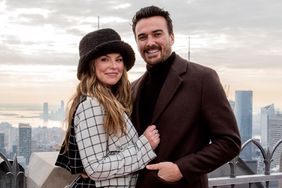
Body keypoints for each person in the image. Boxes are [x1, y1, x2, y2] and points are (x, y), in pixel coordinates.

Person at [130, 5, 241, 188]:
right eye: (142, 37)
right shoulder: (132, 88)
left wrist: (181, 168)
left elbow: (230, 142)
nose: (150, 42)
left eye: (157, 34)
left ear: (171, 38)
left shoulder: (203, 78)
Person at [55, 28, 160, 188]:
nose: (114, 66)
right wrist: (144, 147)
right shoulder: (92, 104)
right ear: (91, 66)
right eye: (104, 59)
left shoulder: (111, 101)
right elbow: (95, 168)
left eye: (118, 60)